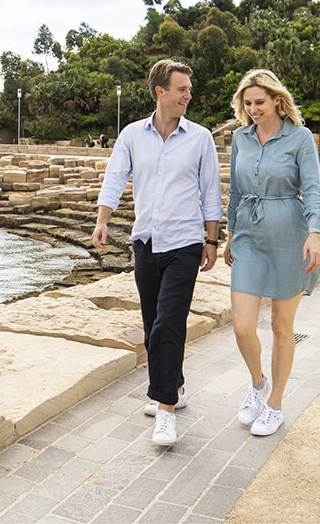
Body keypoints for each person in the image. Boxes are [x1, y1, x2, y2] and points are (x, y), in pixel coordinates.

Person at [92, 59, 222, 446]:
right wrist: (103, 220)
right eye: (181, 89)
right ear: (159, 92)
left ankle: (164, 409)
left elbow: (211, 192)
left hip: (184, 243)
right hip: (145, 241)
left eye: (189, 89)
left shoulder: (200, 138)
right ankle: (176, 386)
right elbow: (115, 177)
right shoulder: (133, 135)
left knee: (169, 321)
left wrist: (211, 240)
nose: (189, 95)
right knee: (152, 324)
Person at [223, 69, 320, 437]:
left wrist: (315, 233)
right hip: (248, 234)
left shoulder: (300, 138)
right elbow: (235, 190)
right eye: (247, 103)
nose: (253, 110)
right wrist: (230, 234)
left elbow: (312, 190)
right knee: (242, 326)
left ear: (277, 100)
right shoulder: (240, 138)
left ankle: (275, 403)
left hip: (289, 234)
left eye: (260, 102)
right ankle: (257, 383)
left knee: (282, 326)